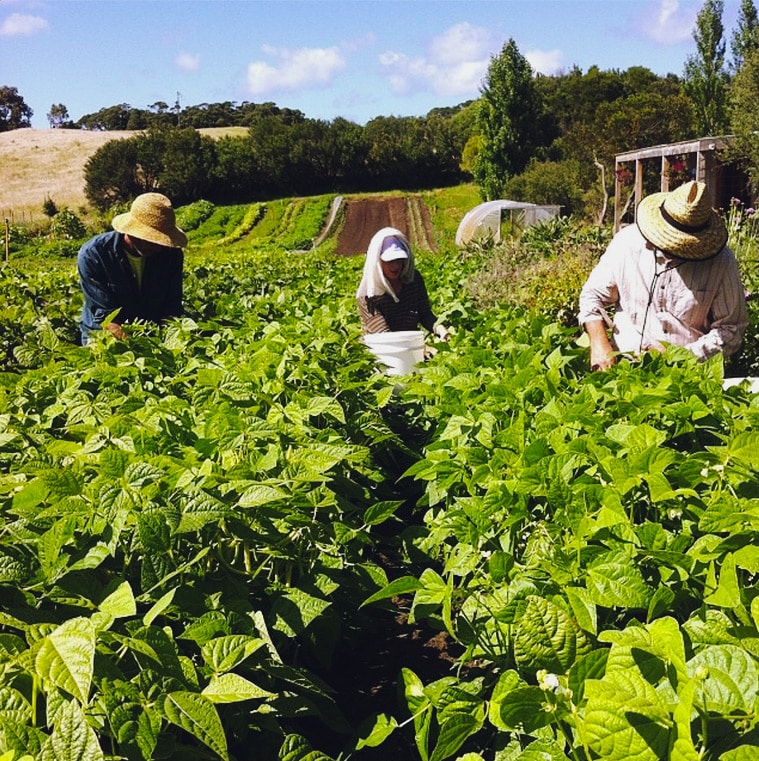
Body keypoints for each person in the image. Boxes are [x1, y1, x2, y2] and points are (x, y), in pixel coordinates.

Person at [578, 180, 748, 371]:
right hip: (624, 368)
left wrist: (681, 355)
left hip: (685, 373)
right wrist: (599, 342)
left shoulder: (720, 261)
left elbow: (730, 330)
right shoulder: (626, 243)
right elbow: (592, 297)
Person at [77, 192, 187, 345]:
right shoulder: (94, 254)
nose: (158, 246)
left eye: (161, 240)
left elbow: (172, 306)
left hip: (150, 329)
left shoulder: (170, 253)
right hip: (104, 332)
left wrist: (167, 343)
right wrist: (137, 349)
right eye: (151, 238)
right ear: (131, 230)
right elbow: (105, 316)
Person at [356, 226, 450, 342]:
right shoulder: (368, 296)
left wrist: (440, 329)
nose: (395, 266)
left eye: (399, 259)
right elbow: (384, 335)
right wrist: (420, 349)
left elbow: (425, 314)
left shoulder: (414, 280)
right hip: (381, 350)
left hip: (412, 343)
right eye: (389, 261)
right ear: (378, 261)